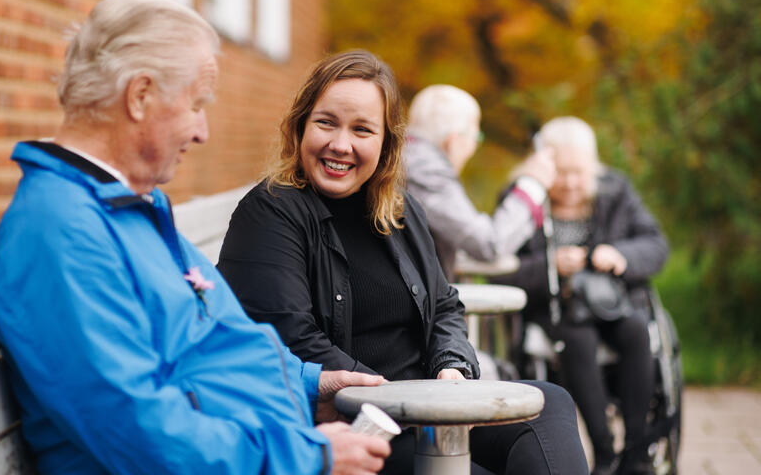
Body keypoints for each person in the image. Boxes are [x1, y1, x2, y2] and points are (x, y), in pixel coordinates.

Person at [0, 0, 392, 475]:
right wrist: (308, 457)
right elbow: (135, 429)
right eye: (196, 104)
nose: (202, 131)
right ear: (140, 96)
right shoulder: (60, 231)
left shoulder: (128, 208)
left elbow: (209, 344)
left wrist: (307, 388)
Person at [217, 50, 589, 475]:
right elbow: (292, 339)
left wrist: (451, 367)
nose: (341, 144)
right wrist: (402, 398)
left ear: (386, 143)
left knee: (549, 403)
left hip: (426, 408)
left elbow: (445, 304)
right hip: (359, 422)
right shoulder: (270, 212)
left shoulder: (399, 210)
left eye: (362, 129)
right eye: (326, 123)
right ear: (301, 125)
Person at [492, 117, 668, 475]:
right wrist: (550, 265)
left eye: (579, 172)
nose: (571, 183)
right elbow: (501, 267)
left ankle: (636, 450)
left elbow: (656, 245)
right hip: (556, 310)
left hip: (613, 304)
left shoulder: (615, 191)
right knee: (578, 339)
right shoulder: (521, 199)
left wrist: (621, 255)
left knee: (636, 331)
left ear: (593, 166)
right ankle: (603, 449)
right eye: (561, 172)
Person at [404, 84, 556, 281]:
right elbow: (490, 245)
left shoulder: (408, 159)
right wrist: (531, 186)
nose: (474, 146)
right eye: (477, 137)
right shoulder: (426, 170)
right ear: (454, 141)